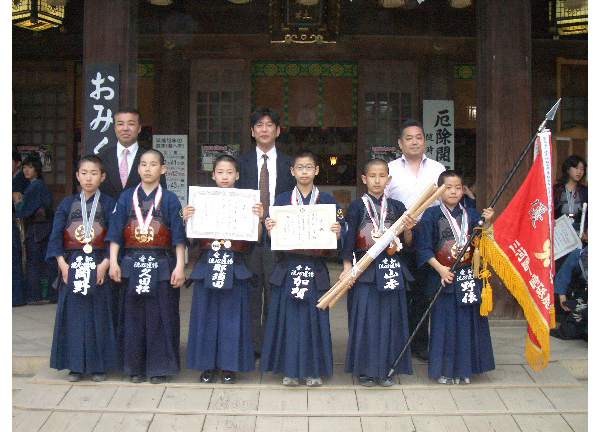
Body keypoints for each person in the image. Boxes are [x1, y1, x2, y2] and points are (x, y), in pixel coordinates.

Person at [260, 149, 346, 387]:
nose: (304, 172)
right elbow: (272, 240)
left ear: (317, 170)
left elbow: (340, 238)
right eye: (300, 167)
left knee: (314, 320)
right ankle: (288, 370)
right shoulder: (282, 200)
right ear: (292, 171)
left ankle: (313, 371)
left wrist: (339, 233)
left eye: (309, 167)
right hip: (288, 267)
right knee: (287, 319)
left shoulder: (327, 201)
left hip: (315, 268)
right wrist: (270, 229)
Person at [107, 149, 186, 384]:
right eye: (143, 164)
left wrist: (180, 266)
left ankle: (159, 367)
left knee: (161, 316)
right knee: (133, 317)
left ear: (163, 169)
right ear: (138, 169)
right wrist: (113, 262)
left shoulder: (170, 199)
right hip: (132, 262)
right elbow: (115, 234)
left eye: (153, 165)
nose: (148, 169)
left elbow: (178, 238)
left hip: (161, 263)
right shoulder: (126, 197)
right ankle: (134, 367)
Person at [184, 155, 264, 385]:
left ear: (237, 175)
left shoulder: (246, 201)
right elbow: (191, 239)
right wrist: (187, 218)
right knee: (206, 316)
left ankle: (230, 366)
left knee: (232, 318)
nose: (225, 177)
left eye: (230, 172)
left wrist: (257, 218)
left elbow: (256, 239)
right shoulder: (202, 200)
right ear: (213, 175)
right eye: (220, 172)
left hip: (235, 264)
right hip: (208, 263)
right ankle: (207, 366)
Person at [339, 158, 416, 387]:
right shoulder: (356, 207)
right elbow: (348, 239)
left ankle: (387, 368)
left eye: (382, 176)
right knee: (366, 320)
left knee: (391, 319)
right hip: (365, 269)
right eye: (372, 176)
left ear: (389, 180)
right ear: (364, 179)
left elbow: (407, 243)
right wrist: (347, 269)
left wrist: (410, 230)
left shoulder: (397, 208)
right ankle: (365, 370)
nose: (377, 180)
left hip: (391, 268)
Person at [414, 170, 495, 384]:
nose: (453, 191)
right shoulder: (431, 216)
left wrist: (486, 223)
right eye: (448, 187)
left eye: (458, 188)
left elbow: (481, 242)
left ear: (463, 190)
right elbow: (423, 249)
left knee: (468, 323)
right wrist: (440, 269)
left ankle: (465, 370)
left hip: (467, 275)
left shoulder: (471, 214)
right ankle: (444, 370)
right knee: (444, 324)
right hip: (442, 276)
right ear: (440, 190)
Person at [46, 155, 118, 382]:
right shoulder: (67, 204)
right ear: (77, 175)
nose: (89, 178)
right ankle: (75, 366)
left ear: (103, 177)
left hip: (98, 262)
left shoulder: (109, 204)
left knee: (99, 314)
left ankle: (99, 366)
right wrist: (62, 264)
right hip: (73, 263)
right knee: (74, 316)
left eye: (94, 173)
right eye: (84, 173)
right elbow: (56, 236)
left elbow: (115, 236)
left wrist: (105, 264)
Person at [236, 107, 296, 358]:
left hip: (278, 238)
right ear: (252, 131)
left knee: (275, 293)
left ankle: (273, 346)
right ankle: (253, 347)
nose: (263, 129)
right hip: (248, 239)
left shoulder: (289, 164)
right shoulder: (239, 163)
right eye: (258, 125)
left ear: (277, 130)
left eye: (269, 124)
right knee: (250, 294)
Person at [384, 119, 446, 362]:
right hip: (397, 235)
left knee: (422, 292)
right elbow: (384, 202)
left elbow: (444, 203)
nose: (414, 141)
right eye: (409, 138)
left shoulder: (437, 169)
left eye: (418, 137)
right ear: (400, 143)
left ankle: (420, 344)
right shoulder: (390, 169)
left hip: (428, 235)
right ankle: (397, 343)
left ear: (424, 141)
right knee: (398, 291)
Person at [13, 155, 57, 305]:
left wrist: (18, 203)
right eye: (24, 167)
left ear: (37, 169)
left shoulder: (36, 186)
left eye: (30, 167)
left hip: (38, 229)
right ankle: (45, 294)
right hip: (40, 228)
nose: (26, 170)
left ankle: (35, 295)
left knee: (34, 263)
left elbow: (25, 210)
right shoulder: (34, 185)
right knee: (41, 262)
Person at [550, 246, 587, 341]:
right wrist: (562, 298)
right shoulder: (578, 255)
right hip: (582, 294)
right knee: (569, 330)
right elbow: (563, 276)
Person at [553, 155, 587, 236]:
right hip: (558, 232)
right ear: (568, 169)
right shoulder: (556, 189)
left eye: (582, 169)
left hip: (579, 232)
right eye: (576, 168)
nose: (579, 172)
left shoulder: (585, 191)